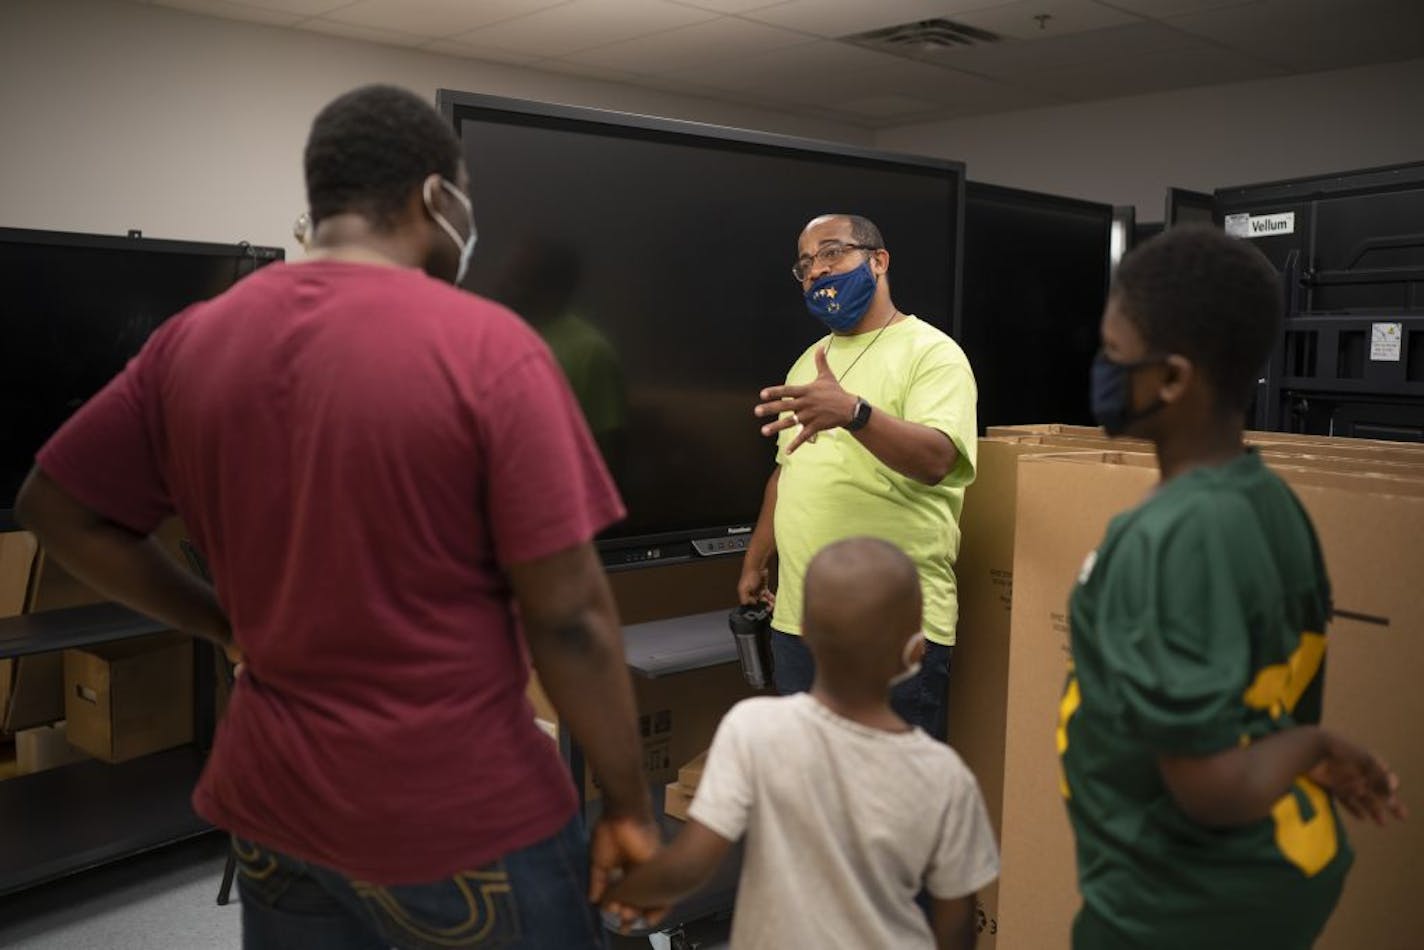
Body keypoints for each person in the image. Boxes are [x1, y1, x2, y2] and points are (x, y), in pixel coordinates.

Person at [15, 84, 657, 949]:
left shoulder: (192, 340)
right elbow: (571, 617)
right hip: (455, 813)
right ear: (439, 196)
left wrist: (219, 621)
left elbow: (54, 509)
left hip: (274, 805)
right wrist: (624, 801)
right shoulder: (490, 346)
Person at [1060, 225, 1407, 949]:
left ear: (1175, 378)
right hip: (1243, 888)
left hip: (1176, 910)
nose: (1104, 369)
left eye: (1116, 355)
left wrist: (1315, 744)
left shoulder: (1172, 538)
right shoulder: (1264, 499)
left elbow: (1212, 790)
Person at [605, 537, 999, 949]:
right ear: (917, 650)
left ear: (804, 634)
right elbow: (956, 923)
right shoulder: (947, 777)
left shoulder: (752, 731)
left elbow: (689, 865)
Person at [739, 213, 978, 741]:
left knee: (888, 806)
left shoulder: (933, 354)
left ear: (878, 260)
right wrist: (756, 562)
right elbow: (788, 471)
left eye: (831, 253)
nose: (817, 272)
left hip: (890, 627)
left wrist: (855, 413)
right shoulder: (809, 361)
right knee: (811, 797)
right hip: (799, 625)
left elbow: (939, 459)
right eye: (805, 264)